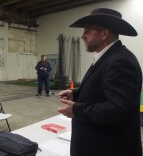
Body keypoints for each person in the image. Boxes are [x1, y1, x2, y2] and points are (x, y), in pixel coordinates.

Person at [57, 8, 142, 156]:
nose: (83, 36)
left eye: (87, 31)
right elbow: (102, 89)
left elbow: (119, 109)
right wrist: (76, 94)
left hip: (108, 148)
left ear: (104, 34)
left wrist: (76, 110)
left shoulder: (120, 61)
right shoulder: (108, 57)